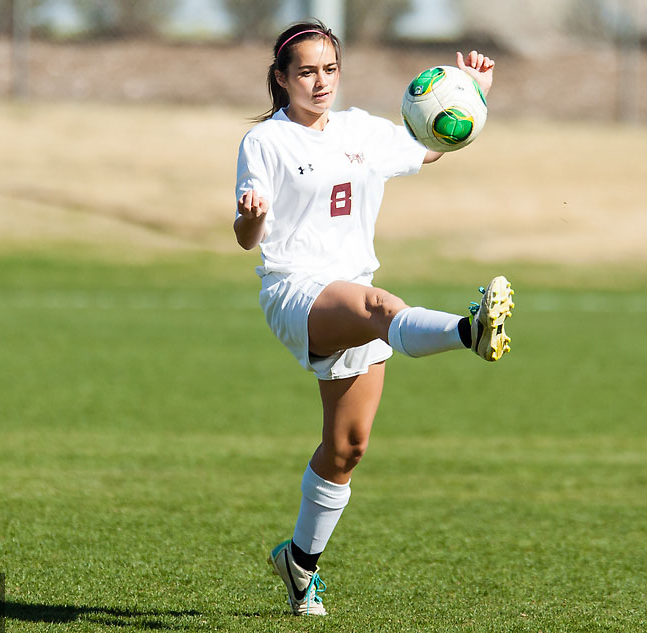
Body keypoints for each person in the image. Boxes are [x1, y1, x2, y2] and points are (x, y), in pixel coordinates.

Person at [234, 20, 514, 616]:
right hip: (296, 291)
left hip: (350, 288)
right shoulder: (266, 142)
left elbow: (432, 141)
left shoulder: (361, 129)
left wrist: (475, 95)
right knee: (380, 306)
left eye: (329, 70)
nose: (319, 82)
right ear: (281, 79)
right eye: (306, 72)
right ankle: (472, 329)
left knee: (347, 447)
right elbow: (244, 235)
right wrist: (253, 215)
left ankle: (299, 563)